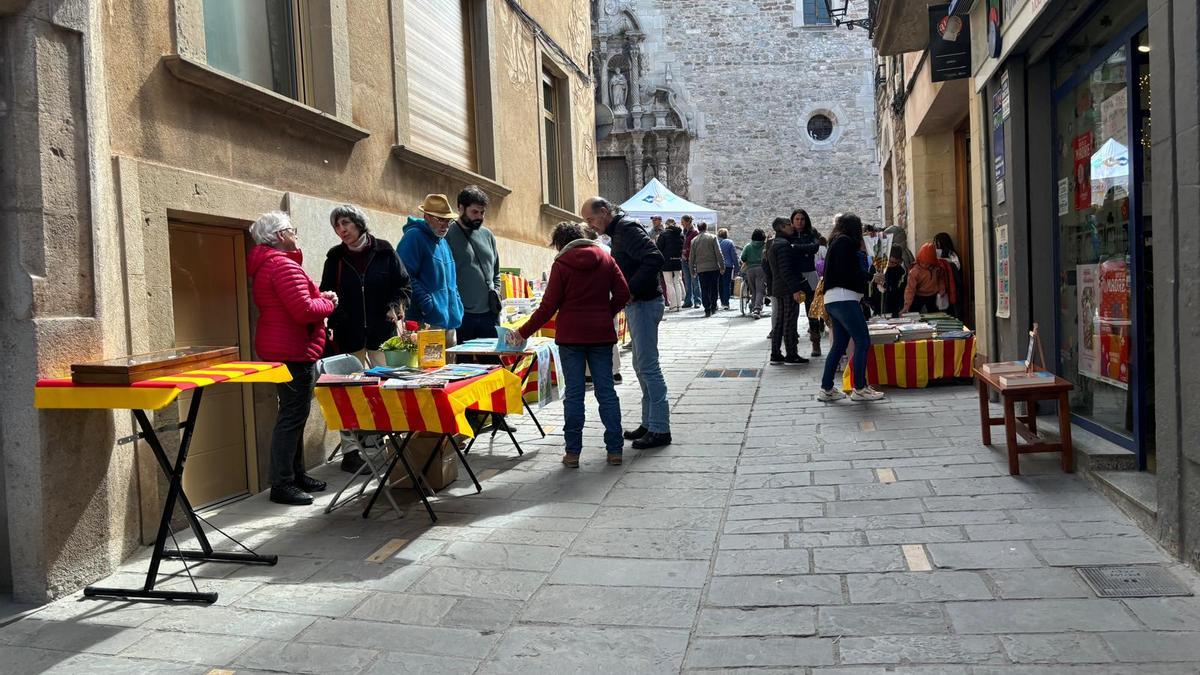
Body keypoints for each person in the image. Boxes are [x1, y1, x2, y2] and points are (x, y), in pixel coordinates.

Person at [508, 222, 630, 467]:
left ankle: (573, 453)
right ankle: (615, 449)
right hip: (601, 335)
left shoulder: (562, 264)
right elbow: (623, 293)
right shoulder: (606, 259)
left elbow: (548, 306)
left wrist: (522, 332)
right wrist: (605, 313)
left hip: (571, 338)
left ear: (560, 243)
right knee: (606, 392)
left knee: (574, 395)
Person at [247, 212, 337, 506]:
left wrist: (317, 300)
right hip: (293, 350)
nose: (295, 234)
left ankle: (295, 474)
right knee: (291, 416)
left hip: (286, 347)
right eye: (291, 230)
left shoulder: (271, 264)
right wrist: (329, 302)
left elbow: (295, 305)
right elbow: (304, 311)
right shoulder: (282, 265)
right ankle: (282, 482)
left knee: (293, 414)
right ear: (279, 236)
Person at [319, 203, 412, 474]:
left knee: (385, 389)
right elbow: (326, 292)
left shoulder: (384, 250)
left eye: (346, 223)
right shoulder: (335, 258)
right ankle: (351, 452)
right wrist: (338, 313)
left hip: (382, 334)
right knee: (348, 395)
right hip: (349, 336)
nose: (342, 230)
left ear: (359, 223)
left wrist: (395, 306)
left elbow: (404, 285)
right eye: (337, 225)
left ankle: (379, 443)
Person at [581, 196, 672, 449]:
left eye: (590, 219)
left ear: (603, 211)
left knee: (648, 366)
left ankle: (661, 428)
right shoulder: (619, 231)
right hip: (638, 304)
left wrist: (630, 289)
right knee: (641, 365)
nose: (590, 225)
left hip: (644, 303)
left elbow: (654, 257)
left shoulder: (627, 228)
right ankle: (649, 422)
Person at [818, 213, 886, 403]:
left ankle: (827, 388)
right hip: (844, 298)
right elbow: (850, 272)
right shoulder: (846, 243)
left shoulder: (836, 242)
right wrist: (870, 278)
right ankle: (860, 387)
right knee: (863, 340)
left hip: (834, 299)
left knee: (839, 345)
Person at [397, 194, 465, 341]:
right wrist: (427, 304)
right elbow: (404, 275)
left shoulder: (443, 242)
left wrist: (457, 305)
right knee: (429, 364)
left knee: (451, 365)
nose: (445, 225)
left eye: (449, 221)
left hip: (449, 322)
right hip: (425, 322)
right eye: (440, 219)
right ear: (426, 216)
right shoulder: (413, 236)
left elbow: (451, 280)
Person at [445, 186, 502, 342]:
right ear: (461, 208)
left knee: (493, 364)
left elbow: (496, 270)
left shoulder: (487, 235)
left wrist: (496, 290)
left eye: (482, 212)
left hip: (490, 314)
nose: (479, 216)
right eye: (474, 212)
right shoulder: (448, 234)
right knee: (464, 363)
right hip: (463, 315)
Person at [765, 216, 808, 365]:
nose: (793, 226)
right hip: (787, 288)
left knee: (780, 321)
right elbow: (786, 270)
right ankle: (791, 353)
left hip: (779, 287)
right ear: (782, 227)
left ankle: (776, 353)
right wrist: (795, 289)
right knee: (789, 321)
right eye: (789, 224)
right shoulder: (783, 245)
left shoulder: (773, 244)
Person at [792, 209, 824, 357]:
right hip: (795, 275)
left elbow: (815, 247)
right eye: (797, 219)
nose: (800, 222)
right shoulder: (789, 234)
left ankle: (815, 343)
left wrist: (796, 248)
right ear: (792, 220)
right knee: (792, 312)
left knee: (812, 311)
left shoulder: (811, 232)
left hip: (810, 274)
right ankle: (793, 346)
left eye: (802, 219)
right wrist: (803, 249)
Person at [902, 242, 948, 314]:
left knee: (935, 315)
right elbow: (910, 289)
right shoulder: (915, 271)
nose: (925, 265)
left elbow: (940, 279)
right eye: (923, 263)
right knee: (914, 314)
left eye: (928, 263)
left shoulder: (937, 268)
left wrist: (942, 290)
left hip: (933, 296)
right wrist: (907, 305)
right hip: (918, 296)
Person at [690, 222, 725, 317]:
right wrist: (722, 266)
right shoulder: (712, 237)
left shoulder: (694, 240)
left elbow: (691, 257)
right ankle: (713, 306)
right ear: (706, 227)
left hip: (701, 269)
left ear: (698, 228)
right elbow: (718, 253)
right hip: (713, 267)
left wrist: (692, 270)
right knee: (714, 288)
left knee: (704, 289)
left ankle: (707, 308)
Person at [656, 217, 685, 311]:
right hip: (677, 260)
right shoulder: (680, 234)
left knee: (669, 283)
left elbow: (658, 248)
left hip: (667, 261)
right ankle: (679, 305)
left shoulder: (663, 234)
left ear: (667, 225)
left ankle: (673, 305)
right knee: (677, 282)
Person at [933, 232, 964, 318]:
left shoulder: (952, 255)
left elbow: (956, 269)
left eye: (937, 243)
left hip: (951, 289)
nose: (935, 245)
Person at [740, 228, 767, 318]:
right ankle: (757, 309)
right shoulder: (765, 246)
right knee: (760, 290)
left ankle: (753, 306)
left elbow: (743, 258)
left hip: (750, 270)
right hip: (762, 269)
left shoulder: (748, 246)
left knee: (753, 290)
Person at [880, 244, 908, 318]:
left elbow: (903, 290)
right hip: (879, 306)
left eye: (895, 263)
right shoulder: (879, 267)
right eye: (890, 261)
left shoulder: (901, 271)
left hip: (895, 306)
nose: (890, 264)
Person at [680, 215, 700, 308]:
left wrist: (687, 251)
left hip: (692, 260)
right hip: (684, 260)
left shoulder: (695, 232)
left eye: (682, 221)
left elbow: (695, 247)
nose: (681, 223)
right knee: (687, 282)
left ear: (688, 222)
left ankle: (697, 301)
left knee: (695, 281)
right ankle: (688, 301)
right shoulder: (684, 232)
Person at [717, 228, 738, 311]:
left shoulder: (716, 242)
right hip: (728, 266)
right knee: (726, 284)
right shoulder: (730, 242)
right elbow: (734, 256)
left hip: (717, 266)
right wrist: (737, 268)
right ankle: (726, 303)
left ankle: (722, 301)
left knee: (720, 284)